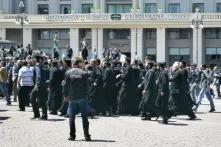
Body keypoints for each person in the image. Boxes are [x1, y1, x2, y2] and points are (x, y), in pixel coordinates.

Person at [63, 57, 92, 141]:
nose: (83, 64)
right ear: (79, 63)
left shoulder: (68, 72)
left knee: (71, 117)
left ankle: (72, 136)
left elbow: (65, 86)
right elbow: (87, 87)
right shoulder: (84, 73)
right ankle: (86, 136)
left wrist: (65, 95)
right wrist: (87, 95)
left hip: (72, 97)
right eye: (82, 63)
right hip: (82, 97)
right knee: (84, 117)